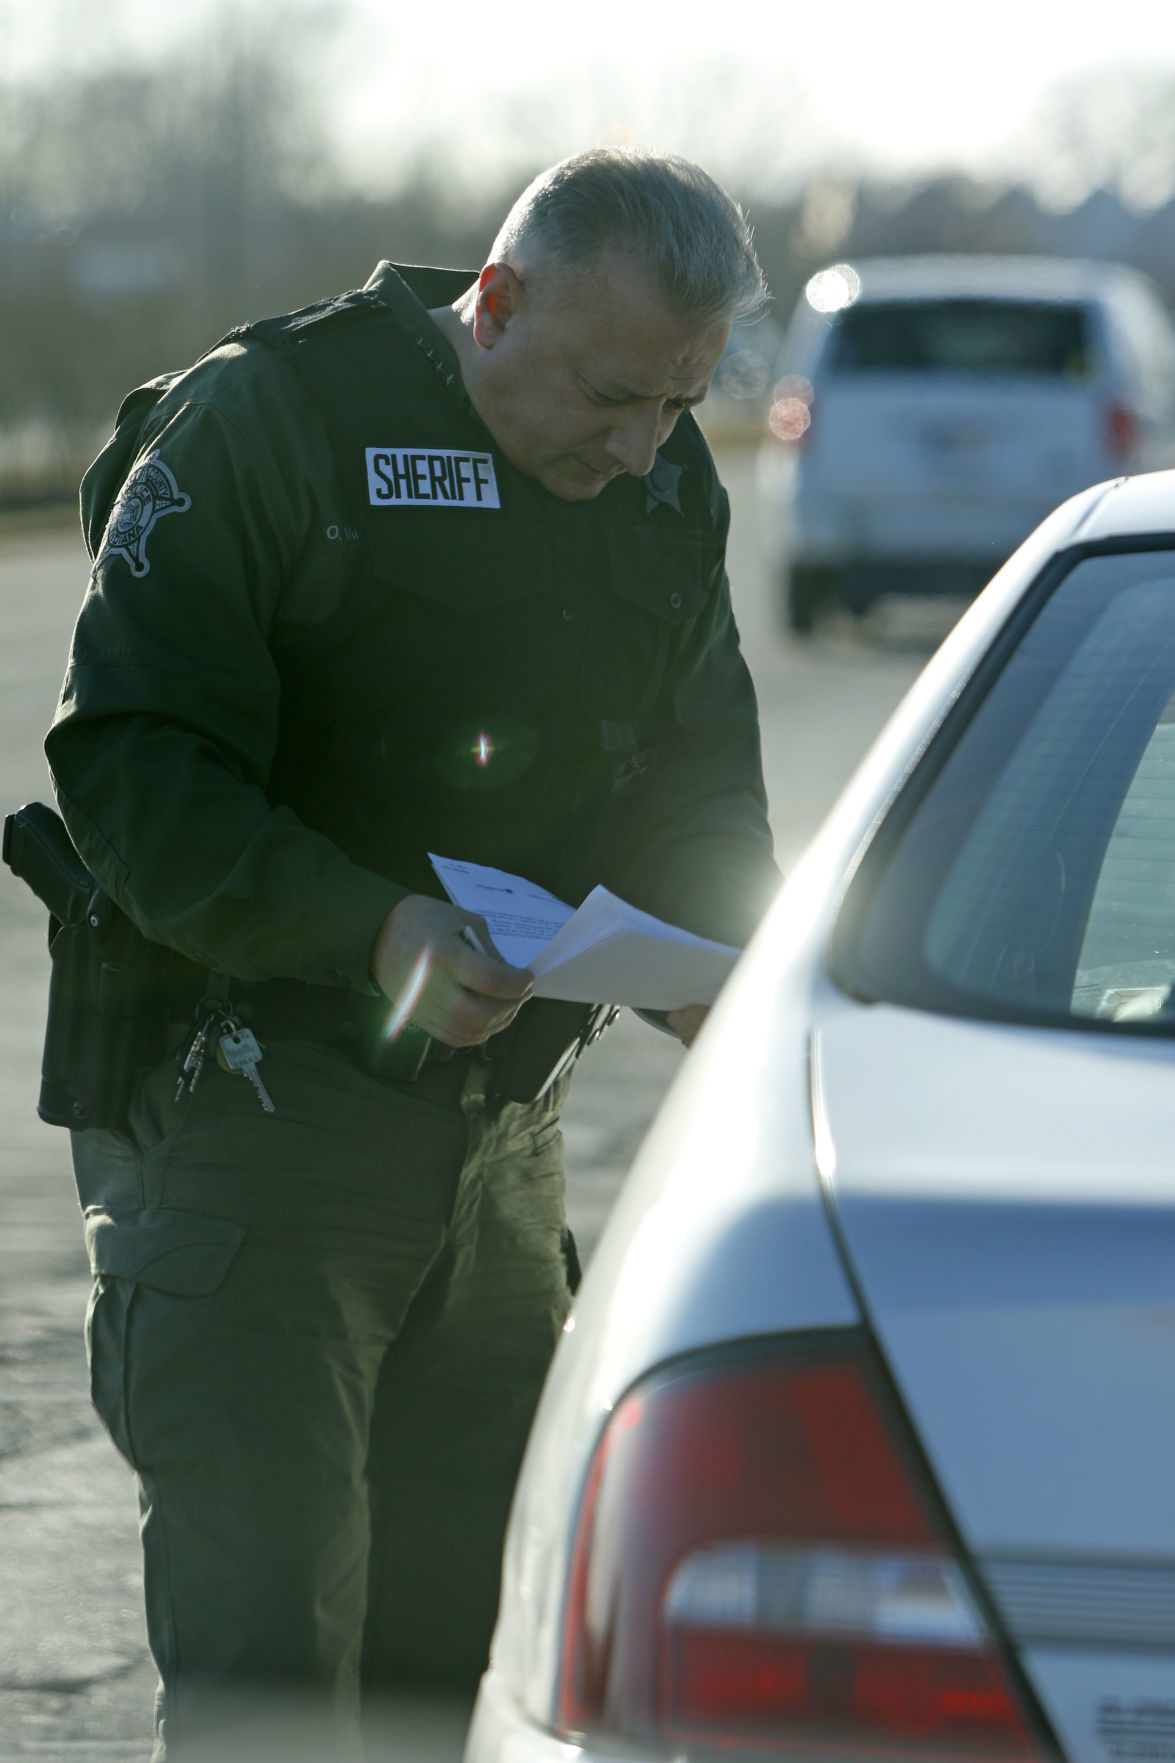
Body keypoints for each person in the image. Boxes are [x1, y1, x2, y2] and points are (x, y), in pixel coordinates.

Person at [45, 147, 780, 1758]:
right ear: (497, 303)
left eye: (679, 401)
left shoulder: (662, 479)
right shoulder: (273, 422)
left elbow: (700, 773)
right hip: (256, 1135)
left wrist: (711, 952)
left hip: (498, 1162)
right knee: (276, 1686)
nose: (642, 443)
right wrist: (366, 928)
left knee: (470, 1656)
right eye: (609, 395)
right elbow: (130, 766)